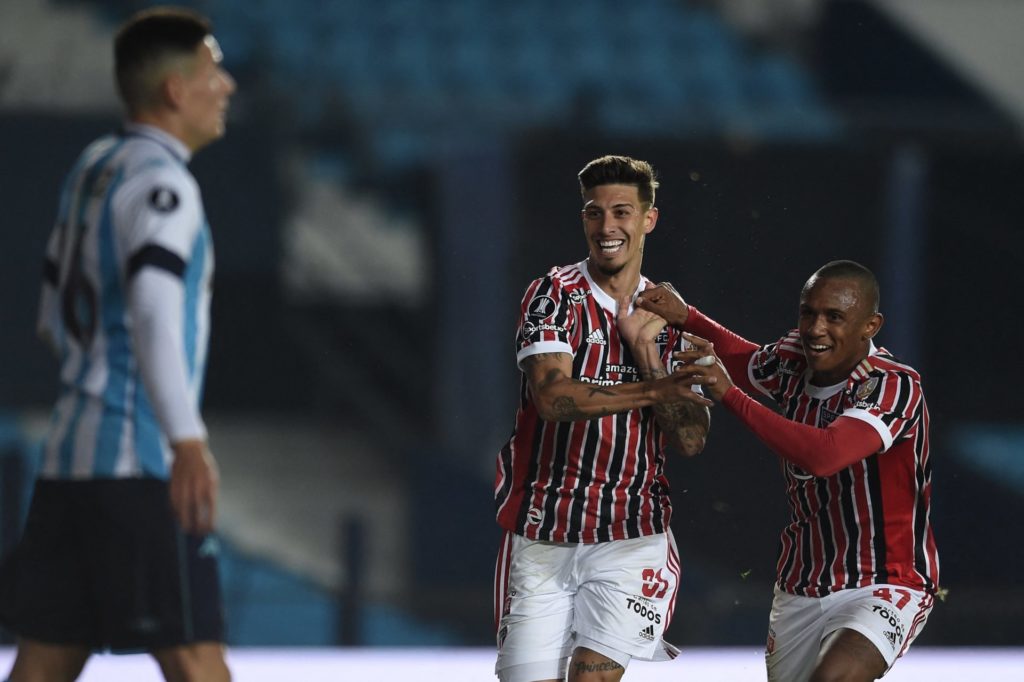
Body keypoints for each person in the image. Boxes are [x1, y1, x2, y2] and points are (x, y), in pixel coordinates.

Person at [0, 7, 235, 682]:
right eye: (213, 71)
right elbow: (156, 315)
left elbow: (51, 315)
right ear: (175, 90)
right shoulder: (166, 186)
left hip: (69, 460)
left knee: (42, 662)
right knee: (195, 656)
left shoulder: (93, 168)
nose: (227, 87)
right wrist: (186, 441)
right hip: (138, 465)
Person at [636, 260, 939, 682]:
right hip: (801, 584)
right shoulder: (795, 356)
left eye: (835, 317)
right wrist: (686, 316)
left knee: (833, 677)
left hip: (884, 583)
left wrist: (729, 395)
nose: (816, 328)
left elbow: (825, 454)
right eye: (808, 312)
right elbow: (746, 361)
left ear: (871, 325)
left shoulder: (892, 385)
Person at [493, 155, 714, 682]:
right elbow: (553, 399)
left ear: (648, 220)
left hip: (631, 534)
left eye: (622, 212)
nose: (607, 227)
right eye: (594, 214)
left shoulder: (671, 315)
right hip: (543, 530)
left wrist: (650, 354)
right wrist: (656, 386)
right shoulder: (554, 296)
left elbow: (690, 439)